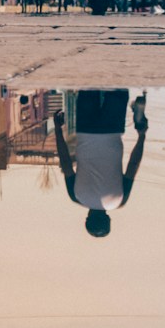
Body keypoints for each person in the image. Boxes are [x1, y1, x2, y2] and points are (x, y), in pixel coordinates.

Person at [54, 91, 148, 238]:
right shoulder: (76, 196)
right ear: (87, 218)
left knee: (118, 85)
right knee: (89, 82)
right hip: (86, 130)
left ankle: (137, 115)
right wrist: (58, 130)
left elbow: (133, 165)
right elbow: (65, 164)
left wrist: (142, 136)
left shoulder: (119, 201)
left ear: (108, 218)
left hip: (112, 130)